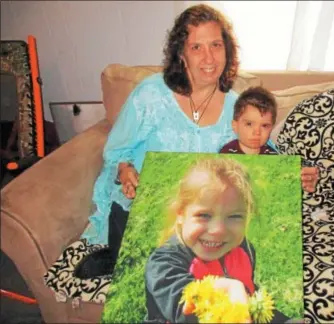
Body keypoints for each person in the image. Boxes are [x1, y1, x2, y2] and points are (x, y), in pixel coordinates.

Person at [74, 4, 319, 279]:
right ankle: (119, 255)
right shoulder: (151, 94)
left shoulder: (237, 107)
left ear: (227, 50)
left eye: (216, 45)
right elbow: (118, 149)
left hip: (204, 215)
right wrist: (125, 170)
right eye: (196, 47)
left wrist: (292, 175)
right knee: (144, 252)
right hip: (150, 206)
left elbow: (260, 152)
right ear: (181, 54)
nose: (209, 57)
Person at [145, 158, 290, 323]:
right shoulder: (163, 263)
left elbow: (248, 303)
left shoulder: (244, 250)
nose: (218, 230)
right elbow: (182, 304)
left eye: (234, 216)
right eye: (204, 215)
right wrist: (217, 292)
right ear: (180, 214)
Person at [220, 86, 319, 192]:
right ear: (235, 126)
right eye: (249, 124)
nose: (257, 132)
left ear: (271, 127)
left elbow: (282, 187)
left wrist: (303, 181)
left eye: (265, 126)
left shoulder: (273, 156)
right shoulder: (226, 153)